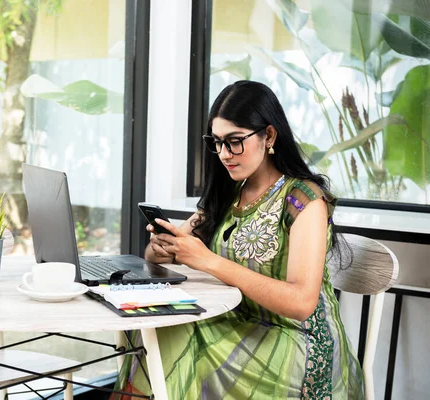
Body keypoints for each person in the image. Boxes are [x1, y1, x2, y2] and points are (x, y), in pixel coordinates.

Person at [113, 80, 364, 399]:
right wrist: (162, 249)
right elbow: (174, 248)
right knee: (158, 328)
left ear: (269, 136)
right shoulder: (229, 192)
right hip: (232, 323)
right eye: (216, 143)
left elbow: (301, 303)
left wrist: (207, 260)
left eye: (234, 142)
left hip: (293, 342)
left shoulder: (304, 200)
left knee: (170, 337)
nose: (223, 154)